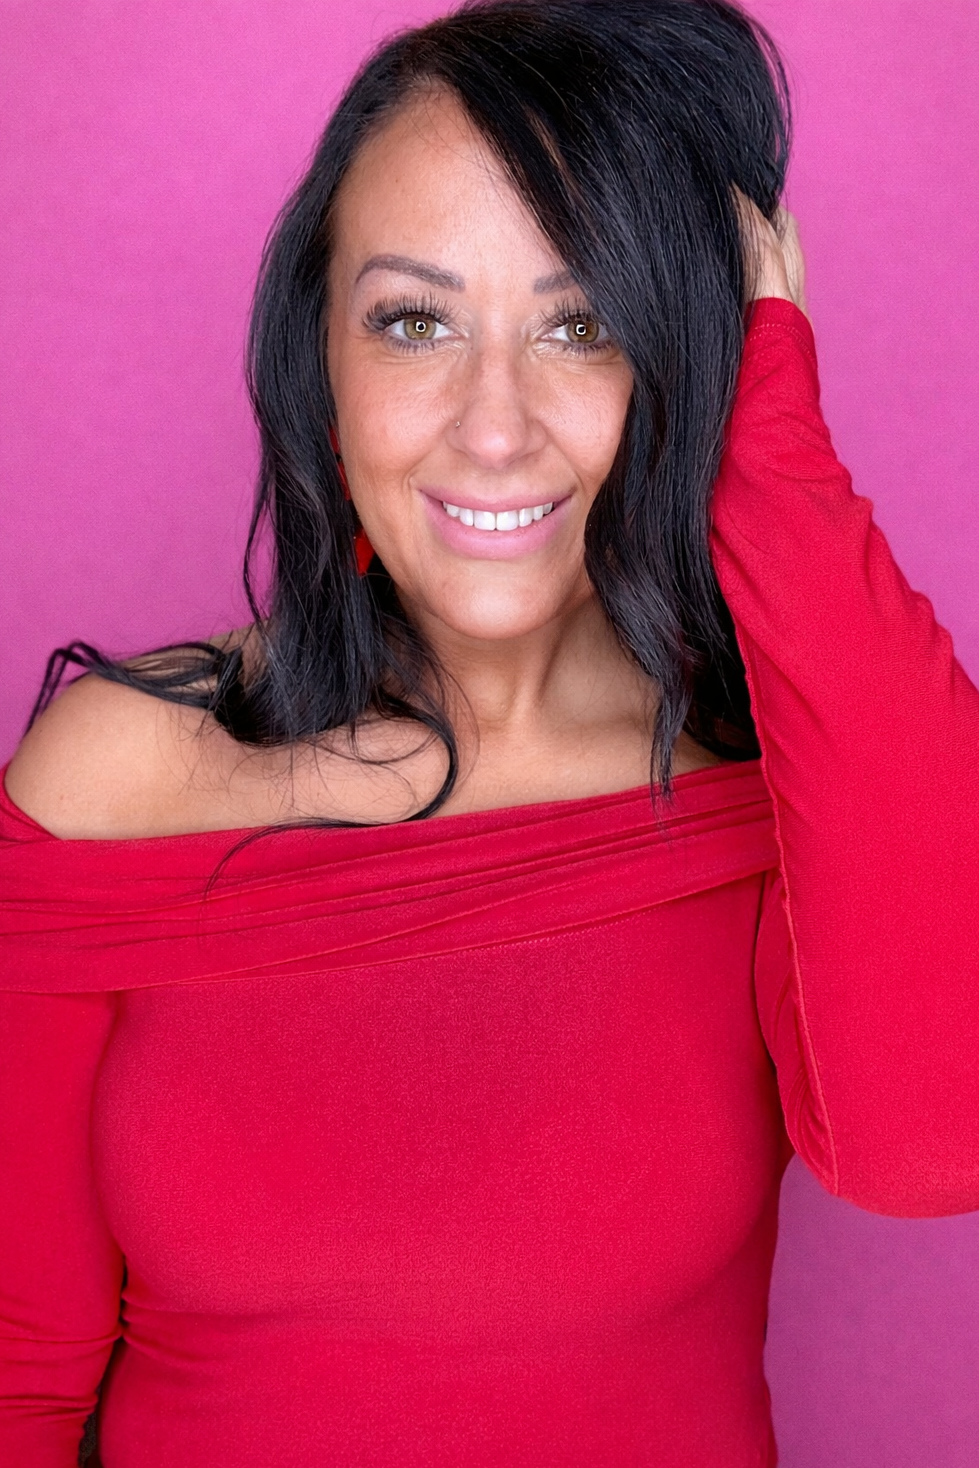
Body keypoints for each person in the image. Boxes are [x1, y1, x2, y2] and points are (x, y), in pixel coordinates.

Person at [1, 1, 977, 1464]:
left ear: (683, 364)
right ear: (319, 360)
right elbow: (17, 1374)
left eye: (584, 326)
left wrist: (772, 441)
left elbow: (933, 1140)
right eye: (415, 322)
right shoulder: (119, 778)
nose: (495, 427)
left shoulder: (774, 783)